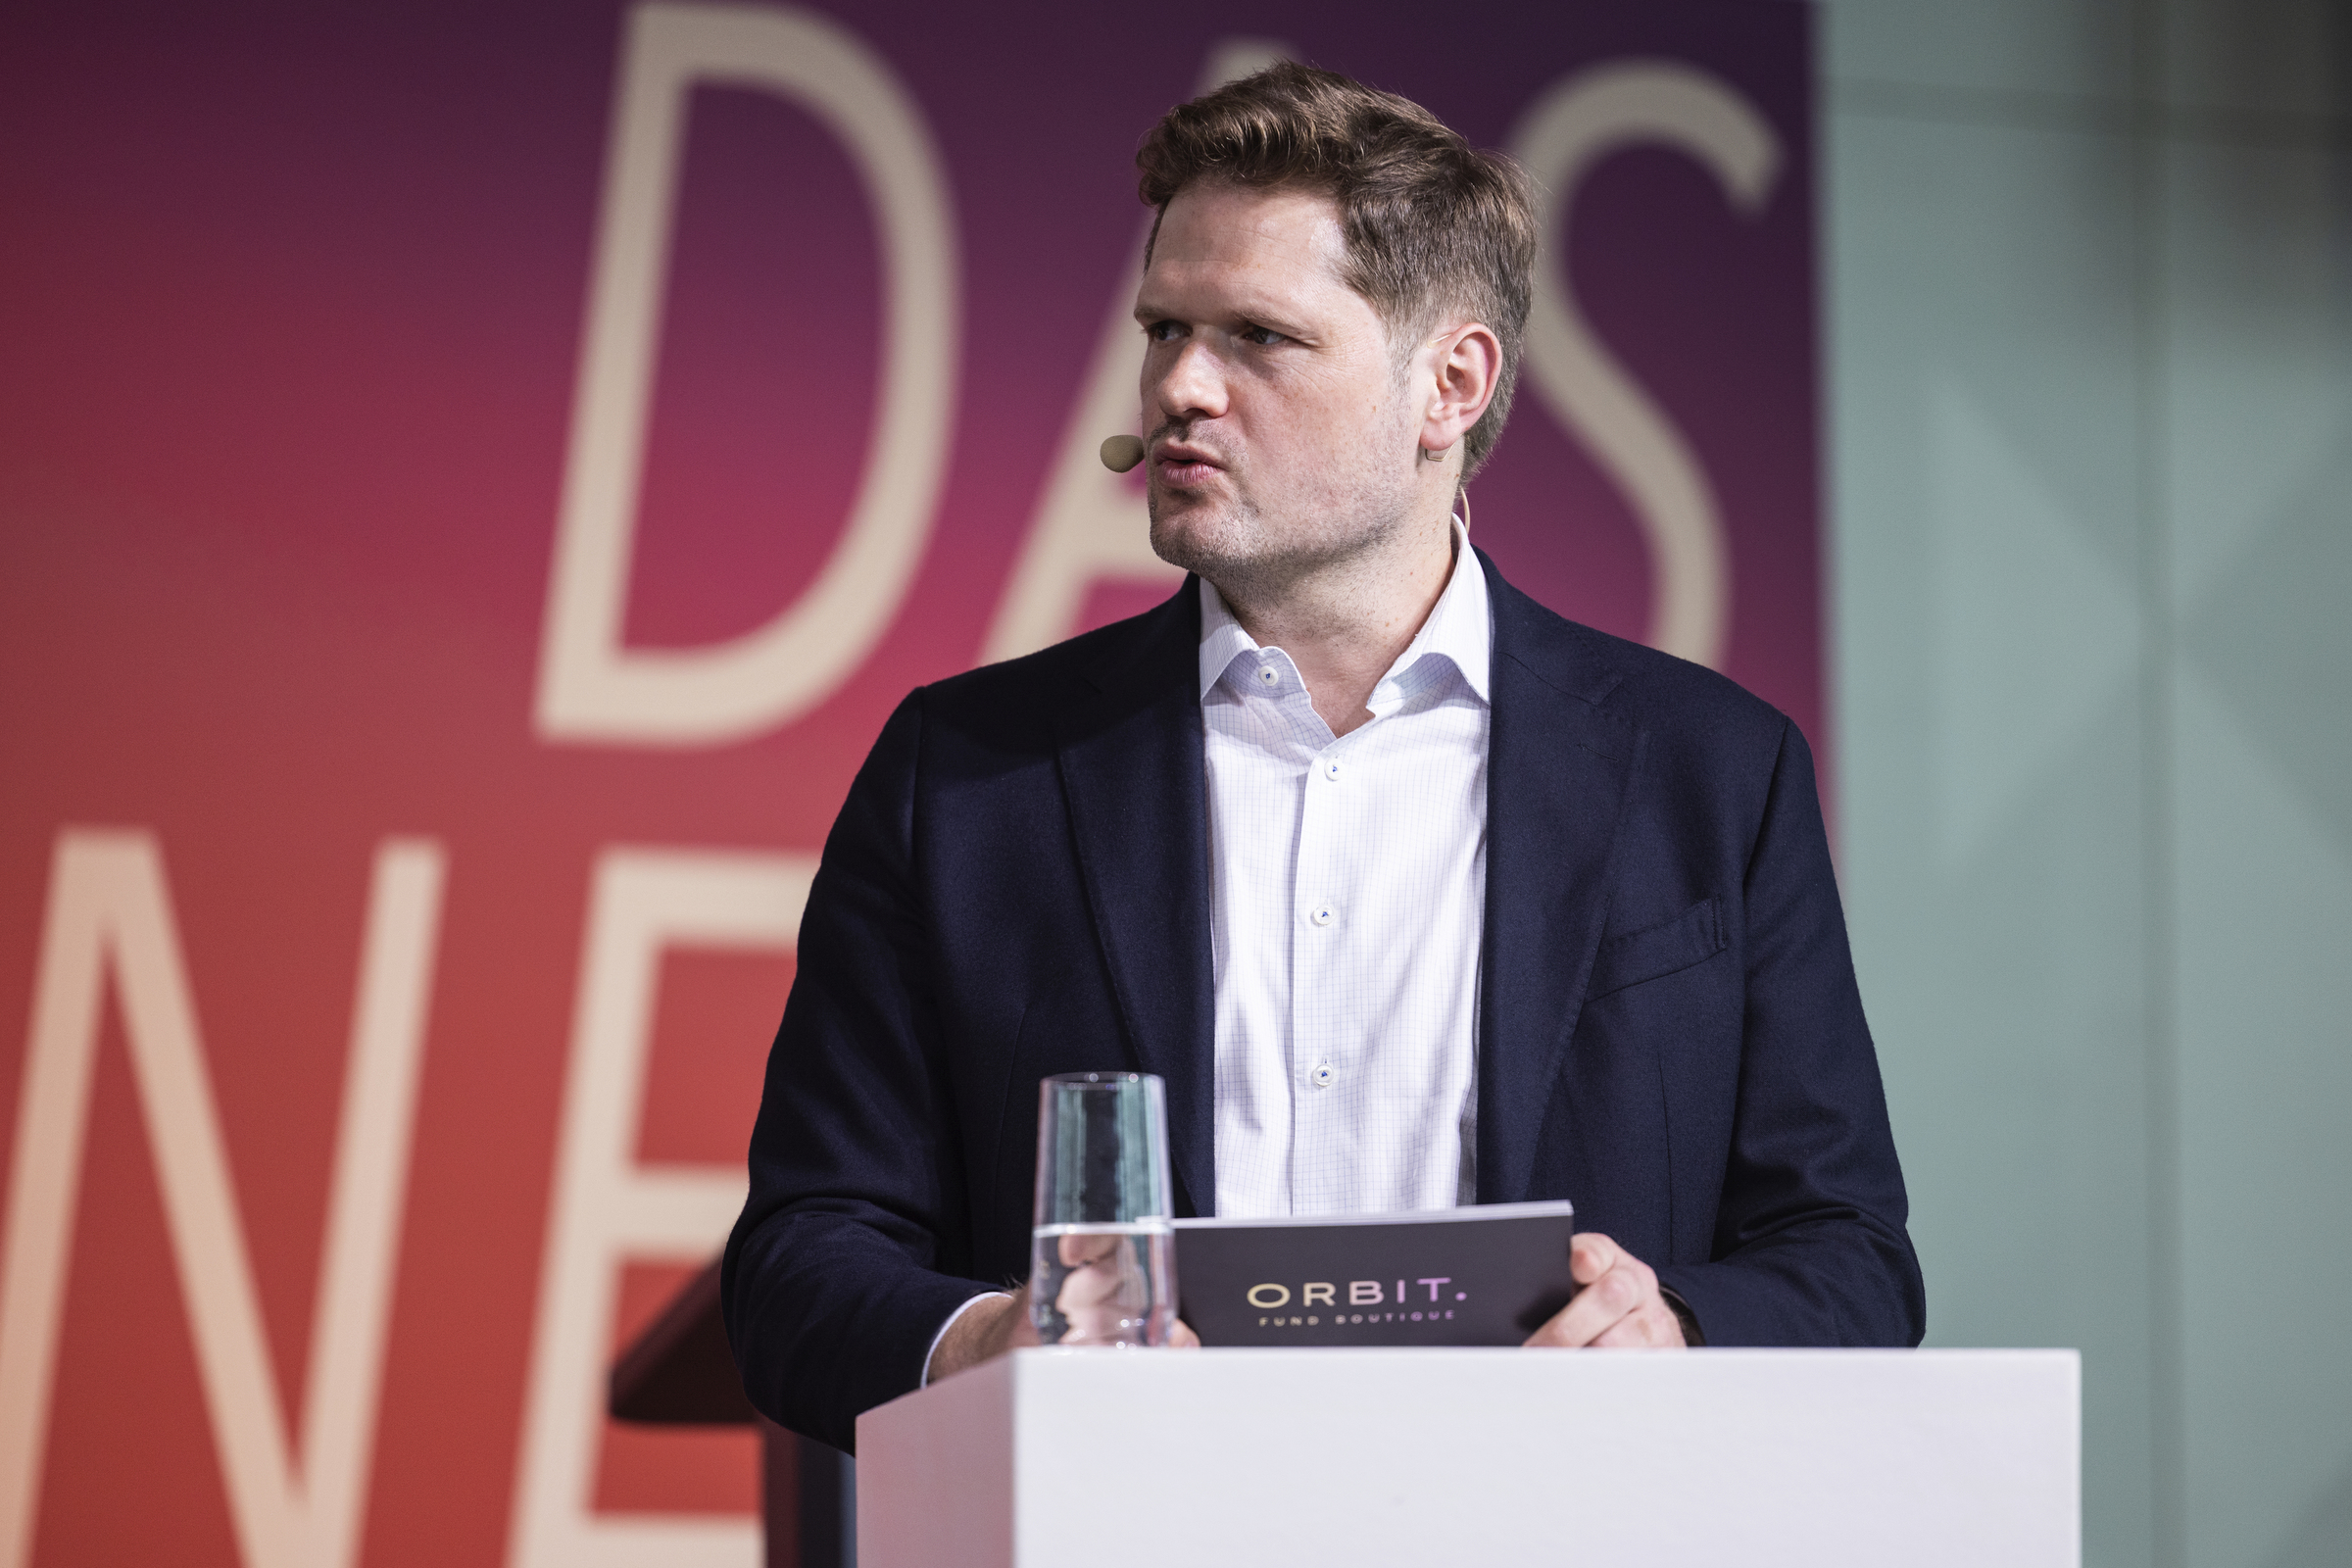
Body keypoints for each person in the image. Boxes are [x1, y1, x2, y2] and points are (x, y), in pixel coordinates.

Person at [722, 63, 1924, 1453]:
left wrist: (1681, 1333)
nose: (1180, 386)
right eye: (1165, 328)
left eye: (1259, 337)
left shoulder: (1710, 774)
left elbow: (1849, 1258)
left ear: (1449, 385)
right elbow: (801, 1261)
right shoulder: (969, 774)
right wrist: (994, 1343)